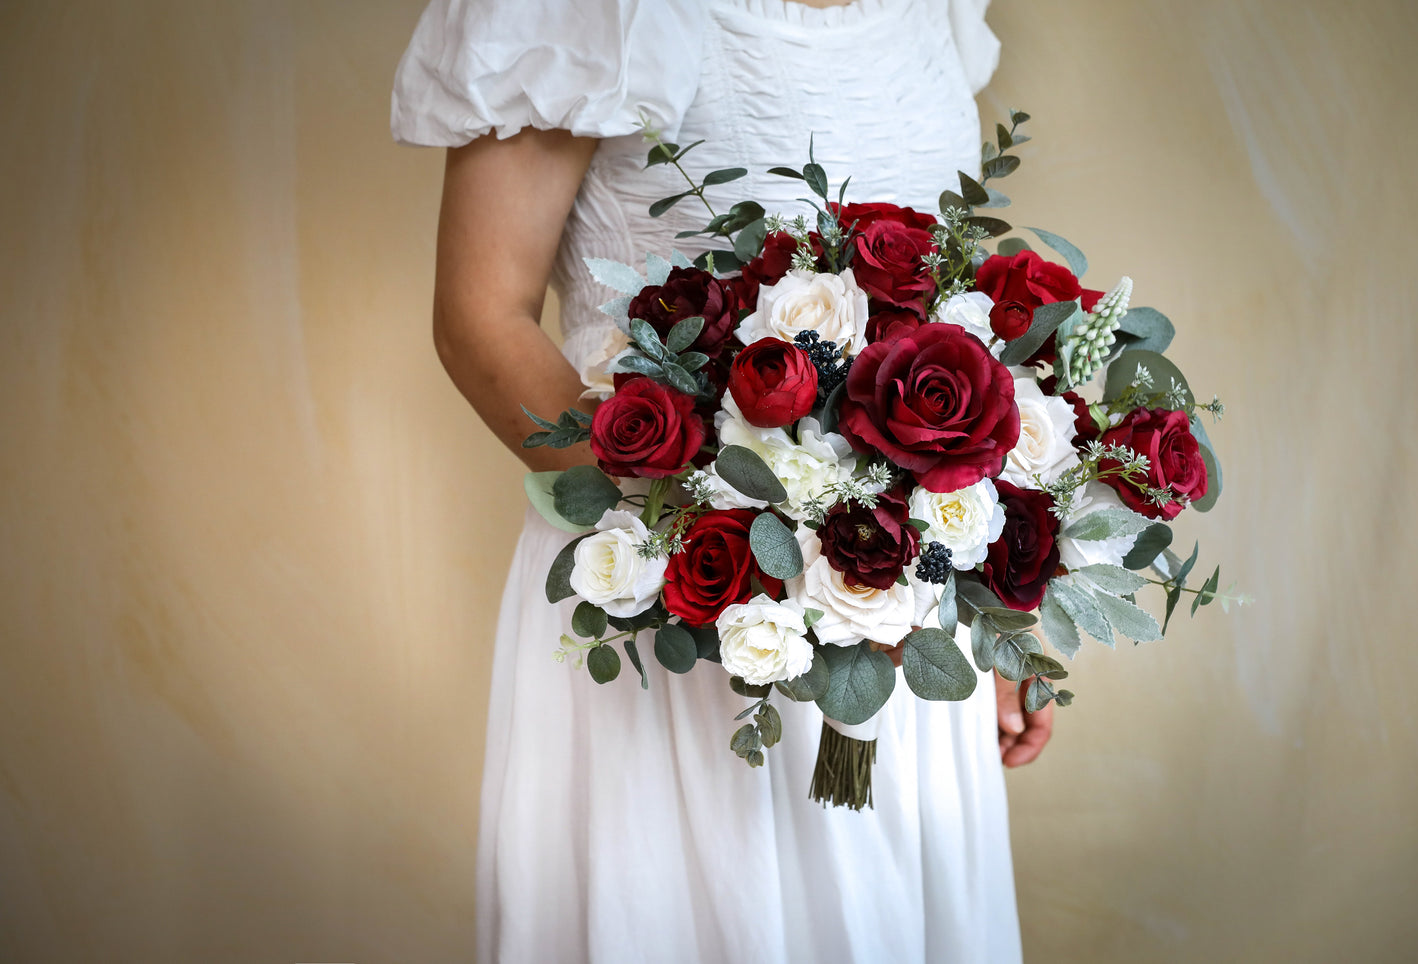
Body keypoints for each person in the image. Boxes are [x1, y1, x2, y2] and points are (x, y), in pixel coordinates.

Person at [392, 1, 1051, 960]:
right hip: (672, 614)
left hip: (901, 628)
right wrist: (728, 541)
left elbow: (951, 316)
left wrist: (987, 611)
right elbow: (481, 316)